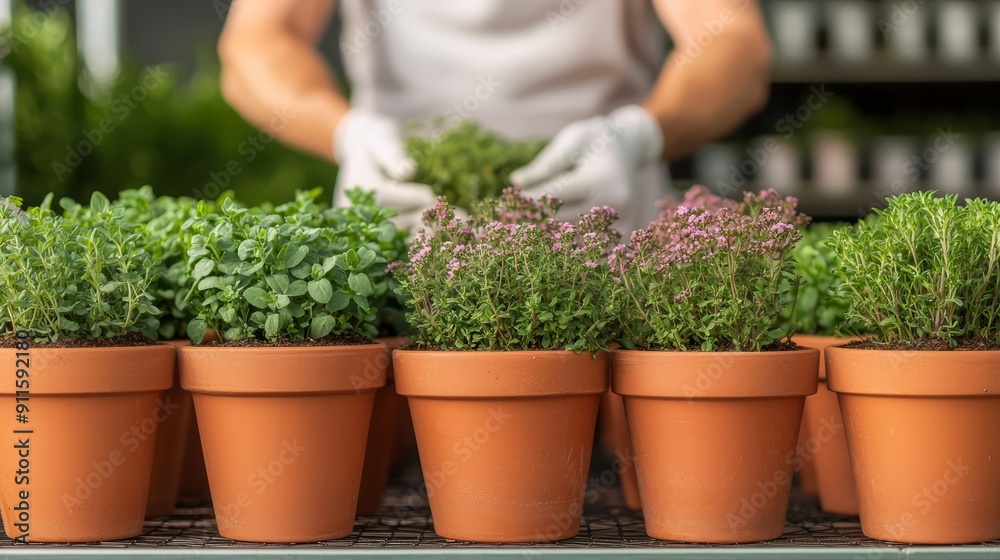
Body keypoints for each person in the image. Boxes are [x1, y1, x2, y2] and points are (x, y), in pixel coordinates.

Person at [219, 0, 772, 231]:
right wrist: (347, 135)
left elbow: (735, 43)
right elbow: (256, 42)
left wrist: (637, 135)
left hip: (605, 217)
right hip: (406, 215)